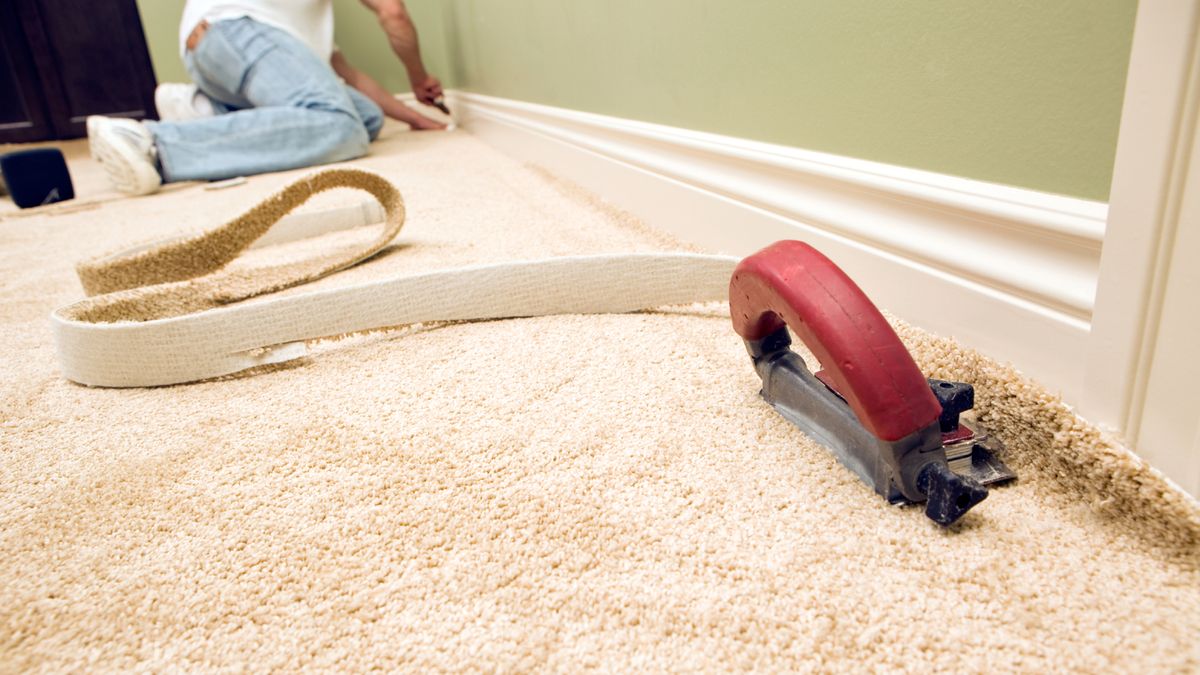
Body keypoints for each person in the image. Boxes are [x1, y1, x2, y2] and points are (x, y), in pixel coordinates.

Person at [87, 0, 447, 196]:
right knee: (340, 126)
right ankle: (153, 142)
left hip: (214, 51)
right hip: (236, 29)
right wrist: (418, 78)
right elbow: (393, 12)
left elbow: (348, 75)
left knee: (365, 116)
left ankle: (205, 110)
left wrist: (416, 118)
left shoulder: (299, 25)